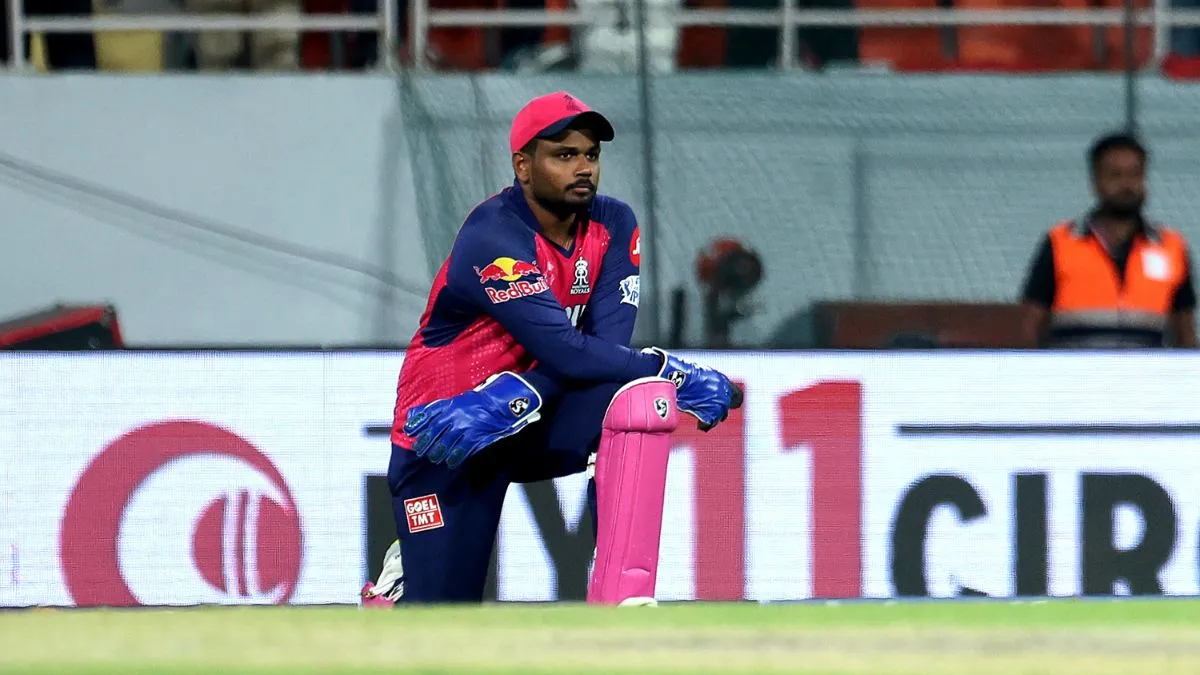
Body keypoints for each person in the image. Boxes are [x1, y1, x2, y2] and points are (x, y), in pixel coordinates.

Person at [361, 91, 741, 605]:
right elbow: (567, 351)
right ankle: (404, 580)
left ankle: (623, 595)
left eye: (591, 154)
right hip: (451, 429)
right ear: (523, 166)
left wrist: (522, 395)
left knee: (636, 397)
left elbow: (603, 349)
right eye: (564, 155)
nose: (583, 168)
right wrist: (667, 367)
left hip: (530, 415)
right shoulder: (493, 235)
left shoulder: (614, 224)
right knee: (441, 617)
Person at [1020, 132, 1198, 349]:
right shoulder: (1060, 242)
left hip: (1146, 371)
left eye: (1135, 174)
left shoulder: (1171, 247)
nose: (1126, 184)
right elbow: (1029, 326)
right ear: (1095, 182)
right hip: (1076, 370)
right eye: (1115, 175)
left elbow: (1186, 332)